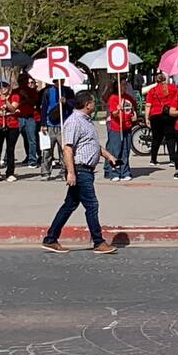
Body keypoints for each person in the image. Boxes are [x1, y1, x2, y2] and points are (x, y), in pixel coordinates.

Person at [40, 95, 118, 254]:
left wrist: (109, 156)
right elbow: (67, 148)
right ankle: (98, 241)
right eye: (93, 102)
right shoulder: (74, 121)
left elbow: (92, 144)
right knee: (92, 205)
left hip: (87, 169)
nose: (95, 105)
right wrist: (71, 172)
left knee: (69, 205)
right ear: (87, 104)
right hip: (80, 169)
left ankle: (51, 238)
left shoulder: (86, 121)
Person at [0, 81, 21, 181]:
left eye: (5, 86)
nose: (3, 89)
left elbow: (13, 108)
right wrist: (5, 113)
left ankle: (10, 172)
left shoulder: (15, 96)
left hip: (12, 125)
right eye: (1, 87)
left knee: (10, 149)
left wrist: (6, 102)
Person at [145, 71, 178, 166]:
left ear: (156, 80)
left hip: (155, 115)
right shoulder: (173, 88)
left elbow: (148, 105)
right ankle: (172, 159)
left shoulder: (152, 90)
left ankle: (153, 159)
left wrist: (147, 118)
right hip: (169, 115)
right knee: (170, 137)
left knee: (156, 138)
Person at [104, 81, 136, 181]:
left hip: (127, 126)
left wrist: (134, 115)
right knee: (116, 150)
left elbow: (133, 109)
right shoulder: (113, 98)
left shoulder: (128, 97)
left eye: (125, 85)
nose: (124, 87)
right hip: (116, 127)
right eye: (122, 85)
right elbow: (113, 113)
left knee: (126, 150)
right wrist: (118, 110)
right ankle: (114, 172)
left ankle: (125, 171)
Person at [14, 72, 40, 167]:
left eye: (24, 80)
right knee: (14, 138)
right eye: (21, 80)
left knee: (31, 139)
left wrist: (25, 96)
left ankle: (32, 159)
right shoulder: (15, 91)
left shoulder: (32, 91)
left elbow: (34, 101)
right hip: (19, 116)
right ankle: (7, 158)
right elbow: (14, 103)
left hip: (29, 117)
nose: (23, 82)